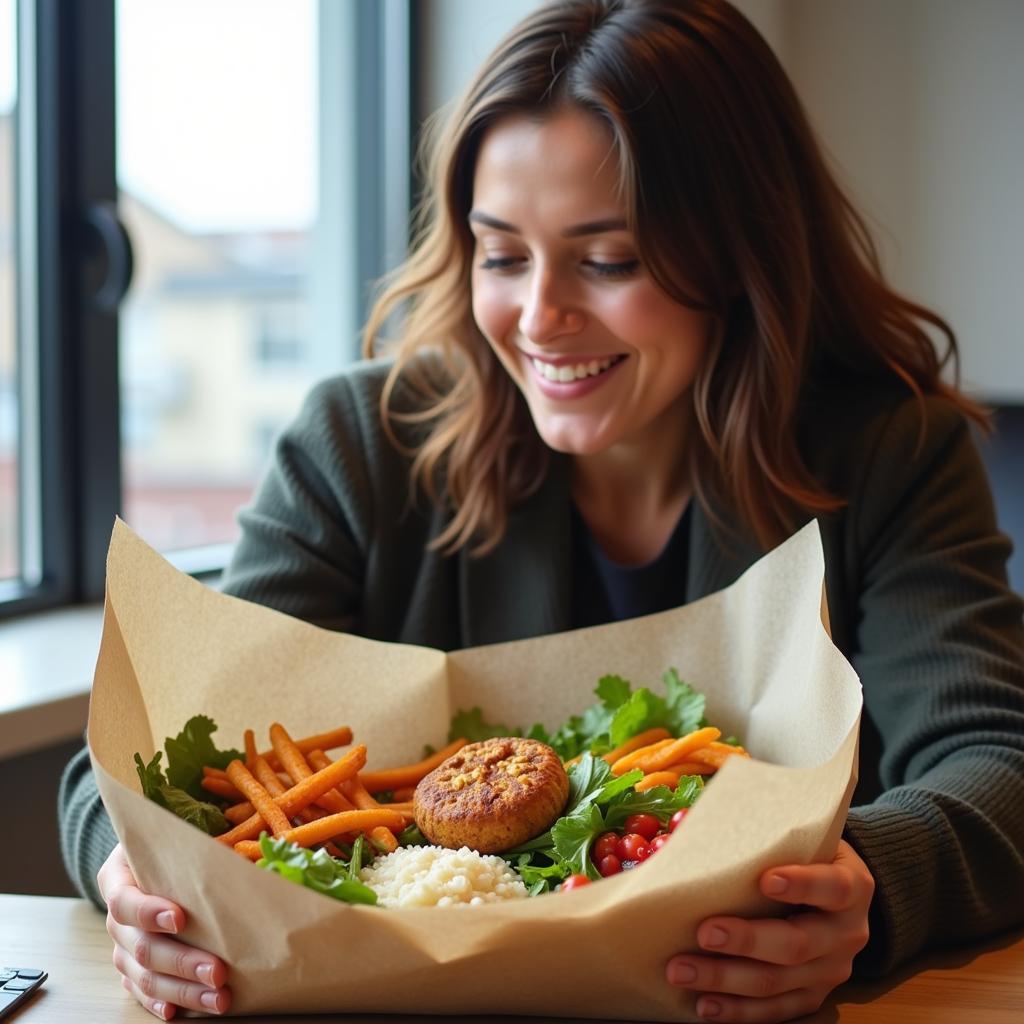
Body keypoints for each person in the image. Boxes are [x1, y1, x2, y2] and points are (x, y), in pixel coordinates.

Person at [59, 1, 1024, 1021]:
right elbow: (141, 762)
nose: (538, 318)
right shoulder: (358, 446)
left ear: (742, 258)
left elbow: (999, 765)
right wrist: (134, 877)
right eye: (502, 253)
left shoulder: (889, 451)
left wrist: (862, 890)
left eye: (607, 260)